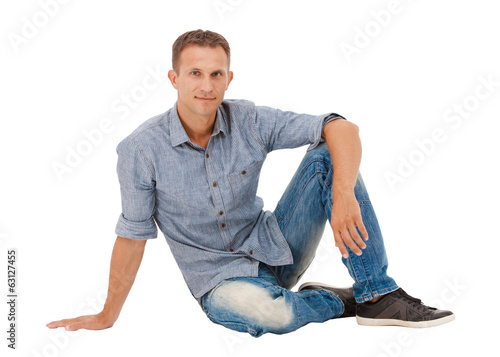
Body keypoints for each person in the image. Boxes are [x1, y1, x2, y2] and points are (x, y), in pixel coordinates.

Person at [47, 29, 454, 337]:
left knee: (328, 154)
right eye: (194, 73)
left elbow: (341, 127)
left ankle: (377, 294)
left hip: (278, 250)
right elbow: (132, 236)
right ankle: (337, 300)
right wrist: (108, 314)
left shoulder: (248, 119)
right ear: (174, 78)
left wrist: (343, 192)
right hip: (221, 282)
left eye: (215, 74)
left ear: (228, 78)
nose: (206, 85)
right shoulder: (140, 150)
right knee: (270, 313)